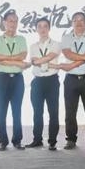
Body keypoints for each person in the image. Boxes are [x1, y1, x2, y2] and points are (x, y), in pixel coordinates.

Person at [60, 12, 85, 151]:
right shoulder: (66, 37)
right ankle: (71, 139)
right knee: (70, 111)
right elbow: (67, 54)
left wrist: (71, 65)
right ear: (72, 23)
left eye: (81, 20)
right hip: (71, 79)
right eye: (75, 20)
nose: (78, 23)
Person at [0, 10, 29, 151]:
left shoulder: (21, 39)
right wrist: (16, 61)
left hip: (18, 79)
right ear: (4, 22)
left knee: (17, 111)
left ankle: (17, 140)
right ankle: (2, 140)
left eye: (15, 21)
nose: (13, 24)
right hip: (2, 78)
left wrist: (8, 59)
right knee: (1, 111)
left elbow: (23, 55)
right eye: (10, 21)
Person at [26, 17, 61, 151]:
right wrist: (45, 62)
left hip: (52, 81)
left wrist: (39, 61)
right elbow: (35, 60)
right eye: (39, 26)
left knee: (53, 112)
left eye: (45, 26)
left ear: (49, 28)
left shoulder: (56, 44)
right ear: (36, 29)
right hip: (38, 82)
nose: (42, 29)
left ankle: (52, 141)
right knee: (37, 113)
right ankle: (37, 140)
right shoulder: (33, 46)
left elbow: (48, 57)